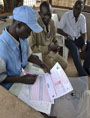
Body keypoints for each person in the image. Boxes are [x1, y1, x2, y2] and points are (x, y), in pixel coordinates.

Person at [0, 6, 50, 90]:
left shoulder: (22, 38)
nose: (29, 35)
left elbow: (28, 55)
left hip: (23, 78)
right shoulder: (2, 48)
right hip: (10, 88)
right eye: (28, 31)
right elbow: (1, 77)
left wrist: (42, 64)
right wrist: (21, 79)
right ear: (19, 25)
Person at [30, 1, 67, 70]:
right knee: (57, 69)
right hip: (42, 55)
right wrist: (48, 48)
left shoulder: (52, 22)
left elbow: (54, 38)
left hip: (52, 52)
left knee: (65, 64)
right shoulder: (35, 27)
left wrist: (56, 43)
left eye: (49, 15)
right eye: (44, 15)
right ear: (40, 14)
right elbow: (32, 48)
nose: (47, 17)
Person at [57, 0, 88, 76]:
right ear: (73, 7)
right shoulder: (66, 15)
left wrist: (85, 43)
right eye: (76, 8)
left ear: (82, 10)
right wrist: (67, 35)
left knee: (89, 45)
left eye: (79, 9)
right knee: (75, 49)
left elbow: (84, 33)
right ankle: (82, 73)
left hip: (77, 38)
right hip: (68, 39)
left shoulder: (82, 18)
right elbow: (58, 29)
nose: (77, 10)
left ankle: (86, 68)